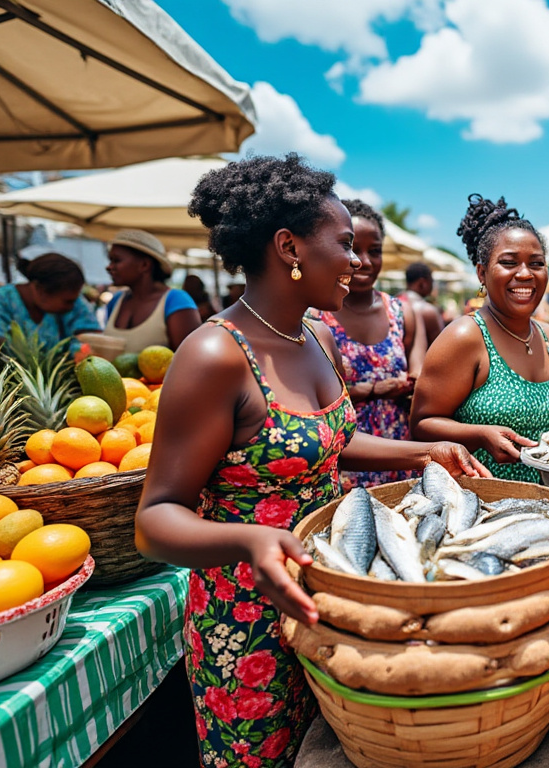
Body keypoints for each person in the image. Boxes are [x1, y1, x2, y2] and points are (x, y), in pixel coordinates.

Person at [134, 155, 487, 768]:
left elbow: (337, 443)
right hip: (248, 621)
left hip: (331, 598)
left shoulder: (316, 335)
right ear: (288, 246)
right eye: (345, 244)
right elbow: (155, 520)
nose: (358, 260)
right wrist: (252, 543)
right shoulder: (215, 354)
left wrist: (427, 449)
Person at [412, 194, 549, 483]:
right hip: (485, 506)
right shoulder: (465, 337)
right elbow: (422, 424)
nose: (525, 274)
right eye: (509, 262)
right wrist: (479, 435)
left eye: (536, 263)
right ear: (482, 273)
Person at [308, 199, 426, 488]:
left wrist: (413, 385)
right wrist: (372, 390)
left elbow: (421, 376)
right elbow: (307, 400)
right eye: (351, 249)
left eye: (374, 251)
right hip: (346, 457)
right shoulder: (314, 318)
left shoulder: (402, 312)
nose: (365, 261)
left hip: (401, 451)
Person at [0, 252, 100, 358]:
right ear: (40, 290)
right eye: (67, 302)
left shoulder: (73, 302)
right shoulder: (2, 298)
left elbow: (93, 336)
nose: (71, 307)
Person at [102, 229, 202, 353]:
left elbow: (189, 357)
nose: (109, 267)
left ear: (144, 265)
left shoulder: (175, 301)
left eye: (116, 260)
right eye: (110, 260)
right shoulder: (116, 301)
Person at [400, 262, 444, 347]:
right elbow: (441, 347)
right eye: (431, 281)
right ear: (422, 283)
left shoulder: (394, 304)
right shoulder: (428, 311)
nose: (432, 286)